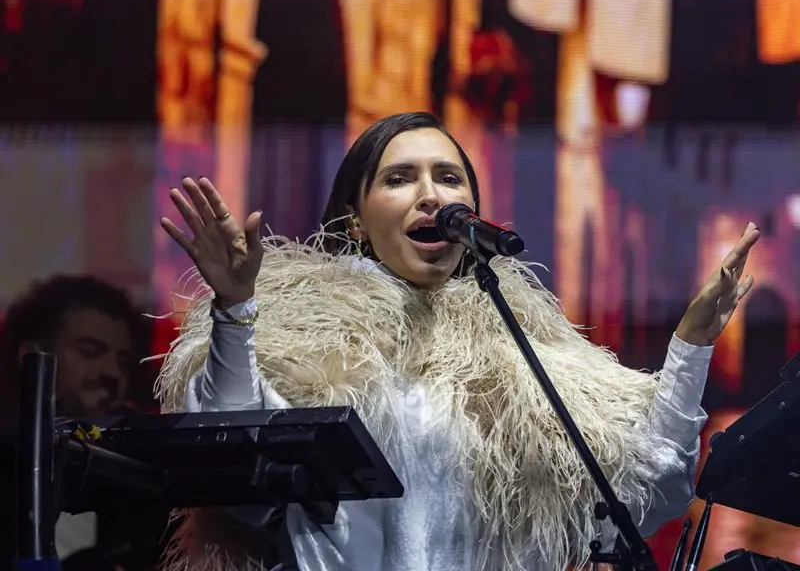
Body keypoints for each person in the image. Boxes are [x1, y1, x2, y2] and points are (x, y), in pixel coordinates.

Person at [155, 112, 760, 571]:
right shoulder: (306, 341)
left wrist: (690, 346)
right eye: (399, 178)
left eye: (449, 178)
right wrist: (236, 309)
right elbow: (231, 457)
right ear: (356, 219)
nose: (433, 195)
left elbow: (648, 495)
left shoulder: (527, 355)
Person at [0, 275, 167, 571]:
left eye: (123, 361)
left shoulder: (143, 474)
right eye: (90, 352)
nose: (112, 373)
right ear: (31, 356)